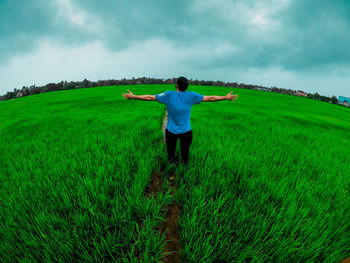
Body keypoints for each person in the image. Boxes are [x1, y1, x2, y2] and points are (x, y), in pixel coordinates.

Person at [122, 76, 238, 165]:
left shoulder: (168, 95)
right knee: (185, 156)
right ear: (186, 86)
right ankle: (183, 171)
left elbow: (150, 97)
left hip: (171, 131)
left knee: (170, 155)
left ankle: (171, 170)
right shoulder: (192, 95)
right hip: (186, 132)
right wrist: (225, 97)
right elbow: (210, 98)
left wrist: (133, 96)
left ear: (176, 85)